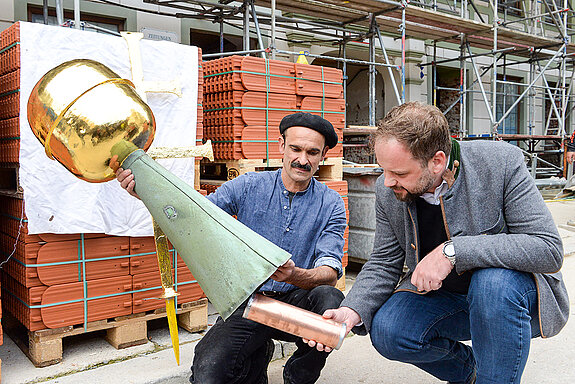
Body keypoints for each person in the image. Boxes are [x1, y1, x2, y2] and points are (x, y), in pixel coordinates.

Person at [311, 102, 569, 383]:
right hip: (449, 300)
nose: (387, 182)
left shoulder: (500, 163)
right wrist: (352, 309)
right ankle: (467, 371)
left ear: (437, 161)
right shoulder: (389, 191)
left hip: (509, 299)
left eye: (399, 173)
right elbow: (385, 261)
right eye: (384, 169)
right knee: (389, 329)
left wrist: (452, 252)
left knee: (492, 284)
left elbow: (548, 249)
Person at [113, 112, 347, 384]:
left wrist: (295, 275)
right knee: (208, 373)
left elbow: (330, 270)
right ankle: (257, 354)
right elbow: (195, 213)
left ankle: (299, 376)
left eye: (312, 152)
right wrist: (147, 191)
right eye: (295, 148)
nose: (302, 159)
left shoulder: (331, 203)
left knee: (330, 299)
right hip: (251, 300)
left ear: (323, 155)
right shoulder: (249, 186)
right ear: (282, 146)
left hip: (298, 304)